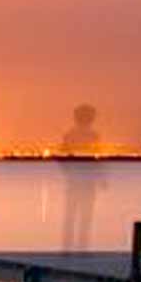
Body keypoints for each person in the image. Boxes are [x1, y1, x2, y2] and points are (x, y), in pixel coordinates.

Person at [58, 104, 106, 250]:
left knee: (72, 215)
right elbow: (97, 158)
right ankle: (80, 247)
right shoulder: (93, 136)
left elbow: (61, 157)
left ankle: (69, 247)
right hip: (85, 181)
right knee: (84, 216)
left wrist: (68, 171)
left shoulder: (70, 135)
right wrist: (101, 178)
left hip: (77, 181)